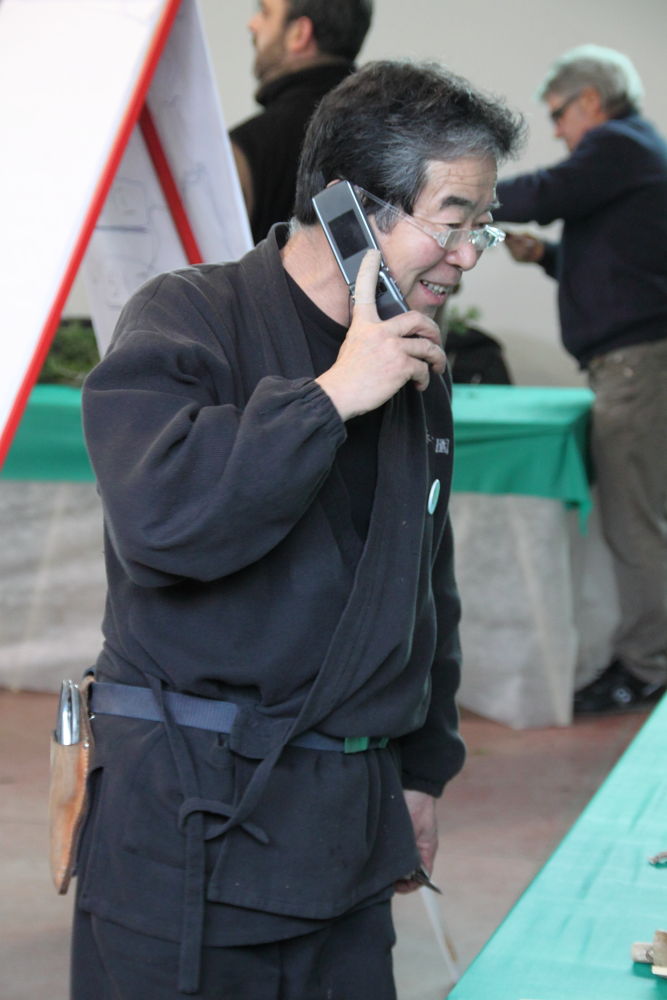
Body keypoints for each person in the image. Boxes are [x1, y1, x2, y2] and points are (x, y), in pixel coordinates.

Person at [72, 60, 523, 999]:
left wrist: (420, 772)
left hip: (346, 837)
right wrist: (328, 398)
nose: (468, 255)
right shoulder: (190, 316)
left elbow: (421, 582)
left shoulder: (412, 360)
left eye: (481, 227)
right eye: (451, 221)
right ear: (347, 208)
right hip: (188, 833)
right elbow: (161, 522)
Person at [495, 45, 667, 715]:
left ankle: (648, 667)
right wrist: (546, 255)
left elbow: (544, 192)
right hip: (636, 364)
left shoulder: (617, 145)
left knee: (635, 526)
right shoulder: (634, 154)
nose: (558, 130)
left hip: (635, 367)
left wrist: (463, 194)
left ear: (591, 101)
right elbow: (619, 262)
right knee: (641, 518)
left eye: (558, 114)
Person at [229, 0, 372, 243]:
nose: (252, 24)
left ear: (299, 34)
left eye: (265, 12)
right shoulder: (393, 132)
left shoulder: (244, 149)